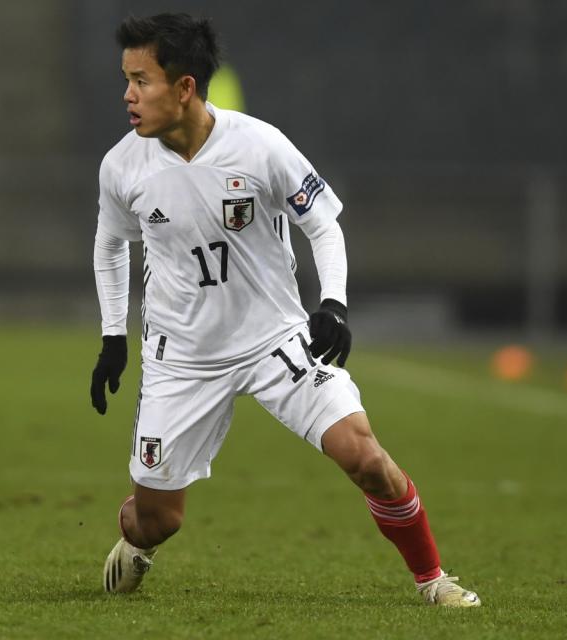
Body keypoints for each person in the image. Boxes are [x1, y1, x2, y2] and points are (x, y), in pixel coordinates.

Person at [89, 13, 480, 607]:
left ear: (186, 86)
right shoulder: (123, 166)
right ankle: (136, 535)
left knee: (364, 455)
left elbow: (322, 224)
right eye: (127, 80)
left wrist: (333, 304)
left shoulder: (260, 145)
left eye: (141, 80)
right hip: (183, 359)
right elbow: (110, 244)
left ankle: (435, 581)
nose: (128, 95)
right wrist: (113, 337)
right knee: (159, 521)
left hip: (274, 339)